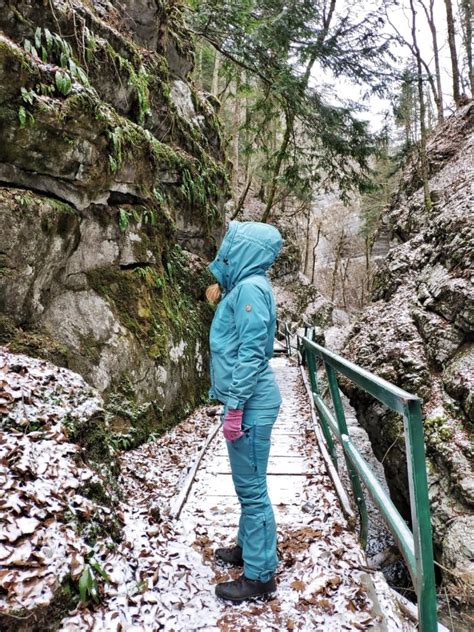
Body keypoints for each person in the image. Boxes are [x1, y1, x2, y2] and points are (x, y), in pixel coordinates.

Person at [206, 220, 283, 603]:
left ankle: (259, 575)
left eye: (231, 247)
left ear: (245, 251)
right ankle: (247, 549)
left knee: (252, 492)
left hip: (251, 404)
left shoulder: (250, 288)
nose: (225, 251)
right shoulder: (248, 286)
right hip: (250, 401)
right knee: (248, 487)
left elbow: (251, 353)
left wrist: (234, 408)